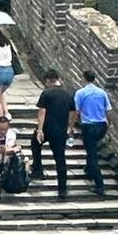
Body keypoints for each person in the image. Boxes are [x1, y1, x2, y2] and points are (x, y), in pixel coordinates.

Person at [32, 69, 75, 198]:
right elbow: (74, 112)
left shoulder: (47, 93)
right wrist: (70, 127)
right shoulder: (67, 95)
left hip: (47, 129)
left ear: (49, 81)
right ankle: (62, 189)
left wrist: (39, 130)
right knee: (60, 159)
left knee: (35, 143)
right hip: (61, 131)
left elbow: (42, 112)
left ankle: (37, 169)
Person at [74, 74, 111, 196]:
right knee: (92, 148)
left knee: (92, 153)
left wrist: (71, 126)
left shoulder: (80, 93)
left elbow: (77, 111)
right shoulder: (102, 93)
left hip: (89, 126)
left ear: (84, 79)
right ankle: (89, 169)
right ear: (95, 79)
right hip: (102, 125)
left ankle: (99, 185)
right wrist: (107, 124)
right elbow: (108, 110)